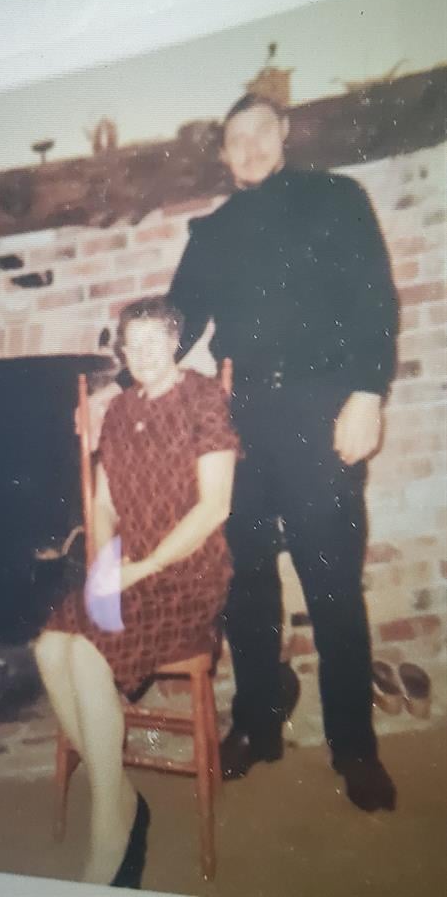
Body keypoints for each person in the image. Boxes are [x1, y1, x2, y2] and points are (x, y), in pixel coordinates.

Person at [168, 92, 400, 813]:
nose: (248, 147)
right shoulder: (212, 231)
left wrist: (367, 393)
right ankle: (258, 723)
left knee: (330, 584)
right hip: (243, 416)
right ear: (222, 153)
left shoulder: (336, 198)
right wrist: (133, 367)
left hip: (321, 406)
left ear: (285, 133)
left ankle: (353, 746)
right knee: (246, 581)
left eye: (260, 132)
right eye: (234, 138)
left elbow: (374, 298)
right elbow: (179, 318)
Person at [34, 296, 239, 888]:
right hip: (129, 570)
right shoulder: (120, 410)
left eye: (154, 341)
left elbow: (215, 507)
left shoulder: (204, 399)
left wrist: (135, 571)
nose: (142, 353)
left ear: (175, 342)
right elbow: (100, 501)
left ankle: (110, 826)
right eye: (132, 344)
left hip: (188, 575)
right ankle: (118, 790)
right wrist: (103, 566)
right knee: (50, 649)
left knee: (90, 652)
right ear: (121, 352)